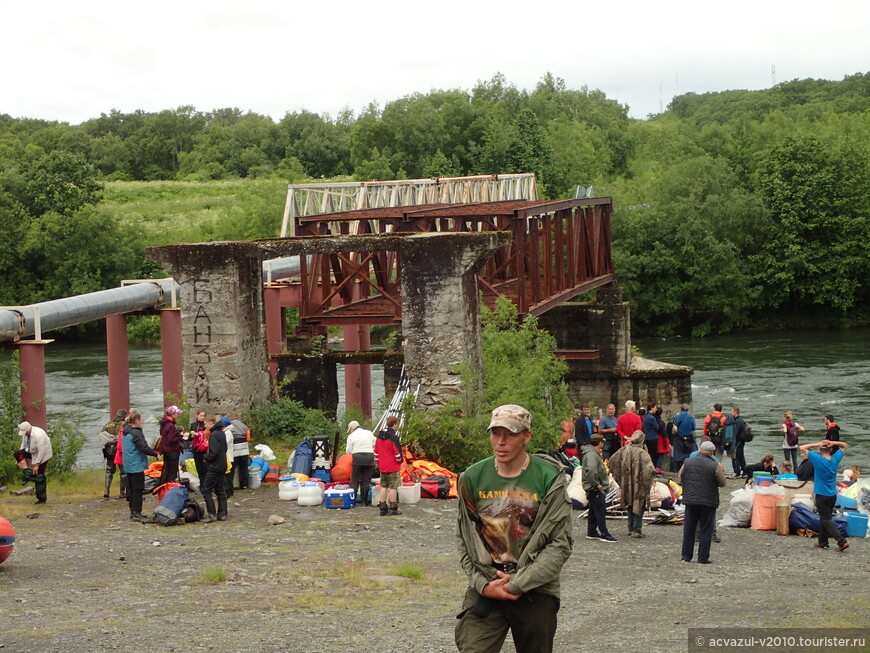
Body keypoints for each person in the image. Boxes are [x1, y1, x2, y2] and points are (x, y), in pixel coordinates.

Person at [455, 404, 572, 653]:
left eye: (510, 434)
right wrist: (483, 584)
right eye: (495, 433)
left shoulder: (549, 478)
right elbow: (464, 539)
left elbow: (559, 544)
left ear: (526, 436)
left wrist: (518, 583)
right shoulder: (472, 477)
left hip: (535, 586)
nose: (501, 441)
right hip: (488, 583)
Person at [679, 440, 726, 563]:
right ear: (711, 453)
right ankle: (703, 558)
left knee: (689, 529)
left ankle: (686, 556)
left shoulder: (687, 462)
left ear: (700, 450)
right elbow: (722, 483)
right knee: (706, 529)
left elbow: (680, 477)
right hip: (708, 501)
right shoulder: (714, 465)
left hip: (690, 499)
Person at [800, 439, 849, 552]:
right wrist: (833, 442)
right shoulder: (835, 458)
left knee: (825, 518)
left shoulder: (817, 459)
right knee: (825, 517)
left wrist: (818, 444)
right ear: (831, 449)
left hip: (822, 494)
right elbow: (844, 445)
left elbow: (802, 447)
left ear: (820, 449)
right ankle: (823, 542)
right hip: (832, 494)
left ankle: (841, 541)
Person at [608, 429, 656, 538]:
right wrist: (647, 482)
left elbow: (611, 461)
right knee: (639, 505)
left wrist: (620, 477)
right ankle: (637, 529)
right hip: (639, 484)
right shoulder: (643, 453)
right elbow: (650, 470)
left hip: (627, 483)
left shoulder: (624, 450)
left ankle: (630, 528)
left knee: (629, 504)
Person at [121, 411, 158, 522]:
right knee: (138, 489)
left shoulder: (125, 431)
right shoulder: (136, 433)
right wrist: (155, 453)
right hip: (136, 465)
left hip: (128, 464)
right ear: (136, 421)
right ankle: (137, 512)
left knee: (131, 488)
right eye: (140, 420)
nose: (141, 422)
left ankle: (133, 511)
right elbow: (143, 448)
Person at [582, 433, 617, 542]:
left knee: (593, 510)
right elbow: (591, 471)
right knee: (600, 511)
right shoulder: (592, 455)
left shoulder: (591, 453)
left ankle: (592, 532)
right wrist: (596, 484)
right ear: (600, 443)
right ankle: (604, 533)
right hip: (595, 488)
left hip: (593, 487)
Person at [14, 421, 53, 504]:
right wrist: (19, 459)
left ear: (28, 430)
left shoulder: (38, 435)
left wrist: (37, 464)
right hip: (32, 451)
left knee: (39, 476)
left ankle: (41, 499)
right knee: (17, 454)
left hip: (43, 454)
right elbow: (23, 445)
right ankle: (27, 473)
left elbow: (41, 451)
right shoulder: (26, 434)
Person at [200, 415, 229, 523]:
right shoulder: (222, 433)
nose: (205, 425)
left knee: (206, 489)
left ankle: (212, 514)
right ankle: (222, 513)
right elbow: (225, 448)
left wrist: (206, 457)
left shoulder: (214, 435)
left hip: (215, 466)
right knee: (220, 490)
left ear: (211, 423)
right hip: (222, 464)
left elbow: (214, 452)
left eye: (206, 423)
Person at [374, 415, 403, 516]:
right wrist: (399, 461)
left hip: (382, 466)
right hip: (393, 466)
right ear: (394, 424)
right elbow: (397, 454)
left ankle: (382, 507)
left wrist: (378, 463)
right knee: (393, 487)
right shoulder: (394, 437)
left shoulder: (379, 436)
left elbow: (376, 453)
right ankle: (393, 507)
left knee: (384, 486)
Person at [347, 418, 377, 507]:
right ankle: (364, 502)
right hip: (369, 457)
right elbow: (375, 442)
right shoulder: (368, 433)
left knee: (355, 480)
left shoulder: (351, 436)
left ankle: (353, 500)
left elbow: (348, 451)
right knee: (366, 481)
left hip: (357, 457)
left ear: (352, 429)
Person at [99, 409, 127, 499]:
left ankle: (106, 491)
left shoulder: (108, 424)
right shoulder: (125, 424)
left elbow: (101, 435)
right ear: (124, 416)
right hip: (119, 451)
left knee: (109, 471)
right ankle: (122, 493)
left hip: (109, 451)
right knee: (123, 472)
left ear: (117, 415)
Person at [157, 405, 184, 487]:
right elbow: (171, 440)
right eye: (176, 414)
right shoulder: (171, 426)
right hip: (172, 451)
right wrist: (180, 435)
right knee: (172, 472)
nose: (178, 415)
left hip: (166, 451)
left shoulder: (164, 424)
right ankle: (170, 489)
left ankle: (163, 487)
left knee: (167, 471)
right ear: (172, 415)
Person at [670, 403, 697, 473]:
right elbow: (693, 427)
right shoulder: (690, 417)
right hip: (689, 439)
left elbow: (675, 425)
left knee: (679, 456)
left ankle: (680, 470)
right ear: (688, 409)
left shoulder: (677, 417)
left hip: (679, 438)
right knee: (690, 454)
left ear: (681, 409)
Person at [228, 412, 251, 491]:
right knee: (243, 467)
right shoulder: (243, 425)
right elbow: (248, 435)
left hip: (234, 446)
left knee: (232, 467)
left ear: (230, 418)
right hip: (244, 446)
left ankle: (230, 484)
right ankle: (244, 485)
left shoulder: (229, 425)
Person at [723, 406, 747, 479]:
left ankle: (737, 472)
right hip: (741, 441)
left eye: (732, 411)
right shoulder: (741, 420)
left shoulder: (737, 421)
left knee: (735, 457)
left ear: (735, 412)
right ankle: (745, 471)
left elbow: (735, 432)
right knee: (741, 456)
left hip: (737, 441)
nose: (731, 413)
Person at [189, 410, 208, 479]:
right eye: (201, 416)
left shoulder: (205, 425)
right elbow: (189, 438)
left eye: (204, 416)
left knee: (204, 467)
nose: (202, 417)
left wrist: (197, 434)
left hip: (203, 449)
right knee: (198, 468)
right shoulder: (194, 425)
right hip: (195, 449)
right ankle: (201, 483)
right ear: (197, 416)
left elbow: (206, 435)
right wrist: (192, 436)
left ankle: (205, 484)